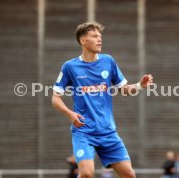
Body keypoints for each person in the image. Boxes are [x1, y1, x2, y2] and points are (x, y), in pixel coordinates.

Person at [52, 22, 153, 178]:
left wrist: (140, 85)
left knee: (129, 175)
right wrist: (69, 114)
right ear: (83, 41)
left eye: (100, 36)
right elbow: (55, 98)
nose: (100, 39)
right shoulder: (70, 67)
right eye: (94, 36)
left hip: (107, 132)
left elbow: (125, 90)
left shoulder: (108, 61)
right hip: (84, 131)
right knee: (86, 173)